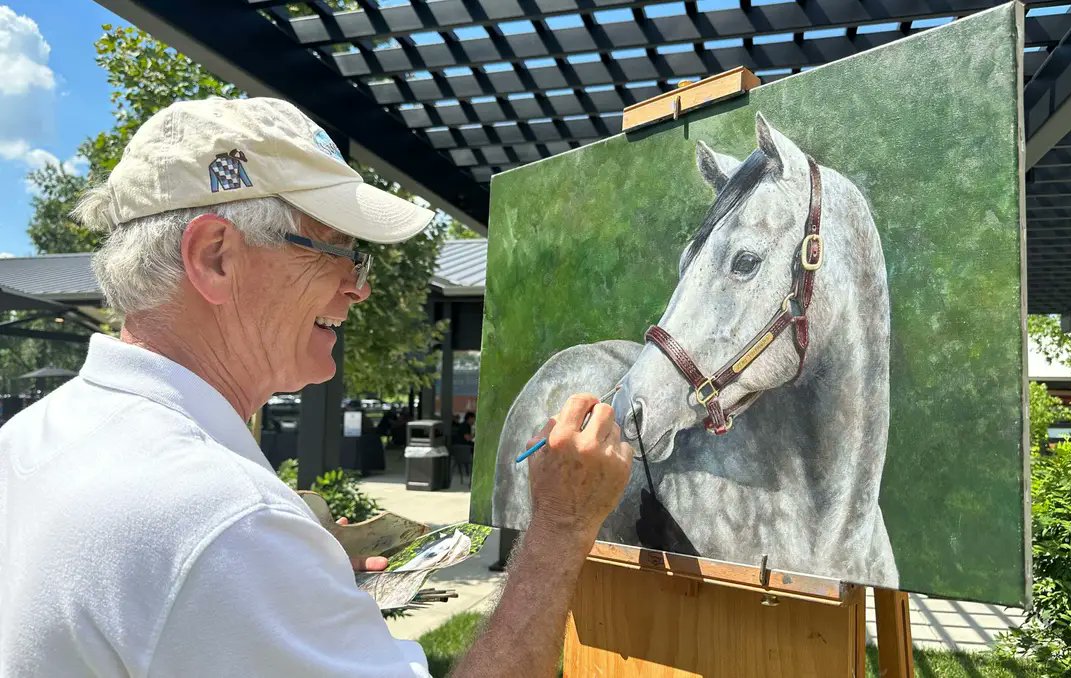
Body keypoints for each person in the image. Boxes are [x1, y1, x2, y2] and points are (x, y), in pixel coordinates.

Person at [0, 97, 633, 678]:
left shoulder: (32, 438)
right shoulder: (223, 520)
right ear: (216, 256)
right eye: (335, 250)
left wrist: (297, 587)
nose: (358, 286)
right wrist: (559, 527)